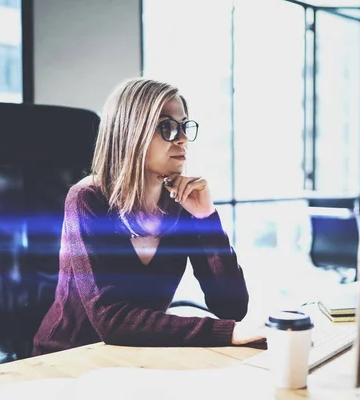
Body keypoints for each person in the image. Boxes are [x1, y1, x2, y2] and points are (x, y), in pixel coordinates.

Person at [32, 77, 266, 356]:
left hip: (141, 356)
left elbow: (232, 307)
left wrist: (207, 219)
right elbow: (112, 320)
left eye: (183, 126)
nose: (181, 139)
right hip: (69, 358)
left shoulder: (182, 203)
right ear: (131, 134)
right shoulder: (87, 200)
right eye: (166, 126)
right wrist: (230, 333)